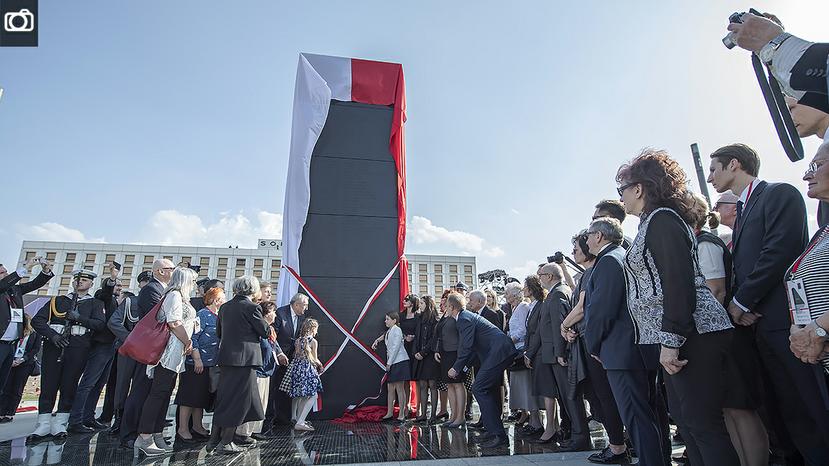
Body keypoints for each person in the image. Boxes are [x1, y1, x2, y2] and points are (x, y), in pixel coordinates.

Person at [708, 143, 829, 462]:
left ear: (734, 164)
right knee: (787, 413)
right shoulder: (744, 210)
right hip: (761, 328)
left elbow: (778, 252)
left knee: (812, 409)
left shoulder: (779, 194)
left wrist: (741, 302)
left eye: (714, 169)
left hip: (788, 325)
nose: (710, 178)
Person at [617, 150, 739, 465]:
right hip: (681, 334)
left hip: (693, 333)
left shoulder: (663, 220)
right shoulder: (651, 222)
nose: (621, 198)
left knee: (701, 423)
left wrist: (670, 341)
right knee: (687, 422)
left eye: (622, 190)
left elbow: (677, 282)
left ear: (639, 189)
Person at [689, 192, 769, 466]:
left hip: (726, 337)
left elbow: (716, 291)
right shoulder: (695, 244)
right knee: (728, 409)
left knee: (741, 407)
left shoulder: (705, 244)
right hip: (718, 337)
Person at [583, 217, 664, 466]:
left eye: (588, 235)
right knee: (646, 415)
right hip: (636, 348)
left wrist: (593, 345)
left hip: (622, 351)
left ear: (599, 236)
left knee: (636, 417)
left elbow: (601, 310)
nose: (586, 240)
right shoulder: (622, 255)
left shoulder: (608, 260)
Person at [28, 269, 106, 441]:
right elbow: (37, 320)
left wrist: (79, 318)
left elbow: (100, 325)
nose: (80, 282)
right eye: (78, 279)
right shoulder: (58, 301)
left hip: (78, 348)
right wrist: (53, 336)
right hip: (54, 346)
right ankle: (43, 424)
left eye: (85, 280)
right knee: (48, 386)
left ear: (91, 284)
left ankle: (60, 424)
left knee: (69, 386)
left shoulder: (95, 304)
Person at [133, 267, 199, 457]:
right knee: (158, 393)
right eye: (193, 281)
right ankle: (144, 437)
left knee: (165, 393)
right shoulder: (174, 295)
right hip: (167, 352)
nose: (194, 285)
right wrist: (188, 341)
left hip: (176, 353)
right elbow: (174, 322)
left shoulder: (181, 298)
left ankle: (156, 432)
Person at [210, 275, 273, 454]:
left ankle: (214, 440)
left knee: (225, 399)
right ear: (252, 289)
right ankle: (226, 442)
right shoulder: (252, 307)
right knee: (240, 401)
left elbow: (219, 332)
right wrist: (268, 322)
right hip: (245, 361)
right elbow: (264, 331)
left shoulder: (225, 307)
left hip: (227, 359)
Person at [448, 292, 518, 448]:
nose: (445, 309)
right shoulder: (466, 317)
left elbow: (466, 346)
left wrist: (456, 367)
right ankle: (492, 431)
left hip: (499, 352)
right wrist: (463, 368)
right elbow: (473, 348)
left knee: (478, 388)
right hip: (498, 352)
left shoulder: (463, 318)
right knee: (485, 389)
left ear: (451, 307)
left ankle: (499, 435)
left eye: (446, 306)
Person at [120, 258, 175, 449]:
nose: (173, 272)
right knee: (140, 390)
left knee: (155, 391)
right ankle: (129, 433)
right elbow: (161, 317)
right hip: (149, 349)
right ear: (160, 271)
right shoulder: (151, 290)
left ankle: (150, 431)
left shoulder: (164, 290)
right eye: (171, 268)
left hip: (161, 350)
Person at [789, 142, 829, 371]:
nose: (807, 176)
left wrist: (819, 329)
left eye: (817, 165)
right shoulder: (823, 232)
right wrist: (800, 329)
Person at [68, 264, 121, 433]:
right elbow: (106, 291)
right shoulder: (102, 296)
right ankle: (76, 420)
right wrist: (112, 279)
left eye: (120, 285)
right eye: (117, 285)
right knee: (88, 383)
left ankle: (88, 417)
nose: (119, 288)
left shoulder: (116, 301)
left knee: (99, 384)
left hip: (111, 346)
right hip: (100, 345)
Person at [175, 286, 225, 444]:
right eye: (223, 298)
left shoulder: (218, 317)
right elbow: (193, 337)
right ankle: (183, 429)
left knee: (200, 398)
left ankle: (198, 426)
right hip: (196, 363)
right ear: (216, 300)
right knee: (189, 397)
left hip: (209, 364)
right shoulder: (202, 315)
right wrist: (197, 359)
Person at [107, 270, 151, 436]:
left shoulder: (157, 301)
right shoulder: (130, 301)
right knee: (122, 384)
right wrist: (130, 339)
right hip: (128, 348)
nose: (148, 284)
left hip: (147, 350)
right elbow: (114, 322)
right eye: (145, 281)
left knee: (142, 386)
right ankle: (119, 418)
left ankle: (136, 419)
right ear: (140, 284)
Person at [0, 257, 53, 392]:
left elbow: (34, 284)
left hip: (11, 344)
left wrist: (45, 271)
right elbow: (4, 284)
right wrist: (27, 267)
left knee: (2, 383)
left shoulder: (14, 290)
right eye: (2, 272)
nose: (6, 274)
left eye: (6, 271)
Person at [504, 281, 543, 434]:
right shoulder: (515, 308)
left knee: (527, 387)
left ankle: (535, 421)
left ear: (515, 294)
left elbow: (523, 330)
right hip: (517, 350)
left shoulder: (523, 307)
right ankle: (527, 416)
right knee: (521, 387)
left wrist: (509, 341)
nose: (505, 296)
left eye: (507, 293)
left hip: (521, 350)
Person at [262, 293, 304, 434]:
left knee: (285, 389)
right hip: (276, 358)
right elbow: (272, 336)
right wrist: (279, 353)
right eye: (304, 305)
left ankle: (283, 419)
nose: (306, 308)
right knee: (272, 389)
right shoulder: (280, 313)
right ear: (296, 304)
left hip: (291, 359)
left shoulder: (302, 317)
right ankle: (268, 421)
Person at [237, 300, 278, 440]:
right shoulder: (259, 329)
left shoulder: (270, 330)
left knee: (262, 403)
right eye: (273, 312)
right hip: (257, 371)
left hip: (267, 371)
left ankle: (255, 429)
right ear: (266, 314)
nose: (275, 315)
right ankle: (244, 432)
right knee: (253, 403)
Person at [0, 313, 41, 423]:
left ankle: (10, 413)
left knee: (17, 388)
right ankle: (1, 412)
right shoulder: (15, 333)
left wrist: (23, 359)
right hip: (11, 361)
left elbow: (36, 349)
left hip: (25, 364)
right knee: (6, 387)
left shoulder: (35, 334)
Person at [285, 318, 323, 432]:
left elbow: (297, 355)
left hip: (297, 370)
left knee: (301, 396)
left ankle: (297, 419)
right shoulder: (313, 341)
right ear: (313, 329)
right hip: (307, 370)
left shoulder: (298, 341)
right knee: (313, 395)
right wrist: (320, 365)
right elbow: (314, 359)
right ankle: (301, 421)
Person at [375, 311, 410, 422]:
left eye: (387, 319)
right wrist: (377, 340)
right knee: (390, 388)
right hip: (393, 362)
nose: (385, 321)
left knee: (399, 388)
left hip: (399, 361)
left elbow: (395, 347)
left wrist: (389, 363)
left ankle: (401, 414)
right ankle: (389, 413)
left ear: (394, 320)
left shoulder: (397, 330)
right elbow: (385, 338)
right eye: (385, 319)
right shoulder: (389, 331)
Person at [412, 294, 440, 423]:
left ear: (428, 305)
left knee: (433, 384)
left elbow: (434, 339)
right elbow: (416, 336)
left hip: (430, 356)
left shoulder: (435, 320)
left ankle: (433, 415)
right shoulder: (419, 318)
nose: (420, 306)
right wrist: (416, 352)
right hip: (420, 356)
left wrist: (423, 352)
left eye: (422, 303)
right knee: (422, 384)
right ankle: (423, 414)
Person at [399, 294, 420, 416]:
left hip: (414, 348)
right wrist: (404, 337)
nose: (404, 301)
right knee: (405, 378)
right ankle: (406, 405)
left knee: (415, 378)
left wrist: (413, 337)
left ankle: (417, 406)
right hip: (403, 348)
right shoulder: (401, 315)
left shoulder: (418, 316)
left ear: (412, 302)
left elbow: (420, 332)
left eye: (406, 300)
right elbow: (397, 330)